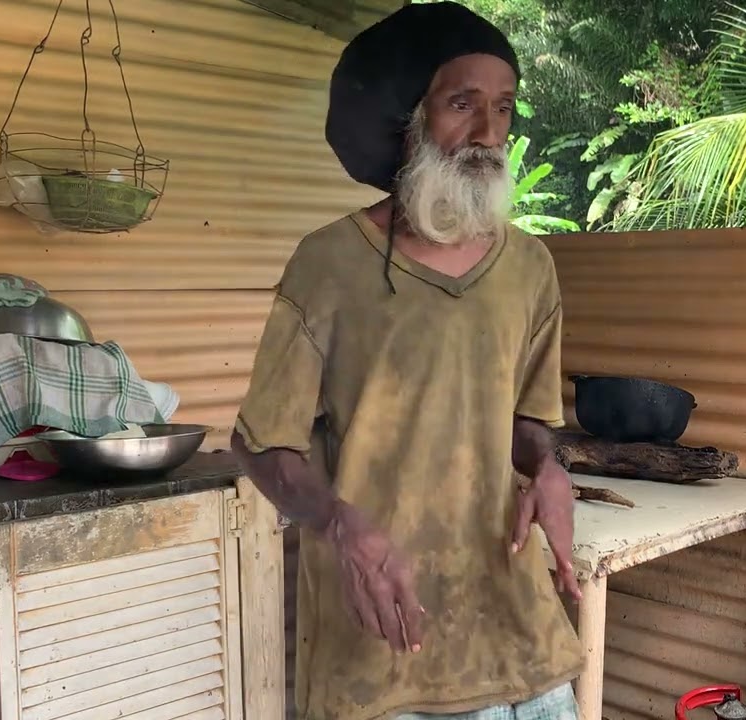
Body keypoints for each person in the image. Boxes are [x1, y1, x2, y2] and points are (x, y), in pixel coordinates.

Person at [230, 3, 584, 719]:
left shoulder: (530, 269)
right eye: (463, 104)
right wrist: (340, 525)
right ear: (410, 116)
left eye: (504, 108)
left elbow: (527, 423)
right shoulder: (329, 264)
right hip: (385, 637)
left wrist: (548, 468)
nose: (488, 133)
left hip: (515, 631)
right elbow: (262, 445)